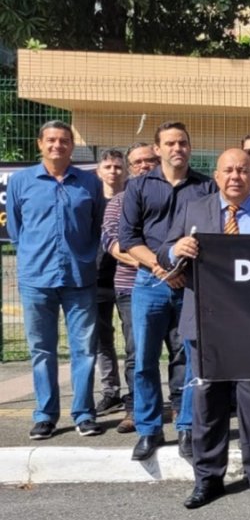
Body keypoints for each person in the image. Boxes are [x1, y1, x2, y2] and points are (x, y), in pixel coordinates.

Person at [162, 149, 250, 509]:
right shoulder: (193, 210)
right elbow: (163, 251)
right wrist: (176, 249)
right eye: (229, 170)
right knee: (208, 403)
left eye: (243, 170)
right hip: (207, 325)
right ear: (217, 176)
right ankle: (208, 478)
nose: (236, 176)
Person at [120, 121, 215, 461]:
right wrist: (160, 267)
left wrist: (180, 271)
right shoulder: (138, 186)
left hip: (192, 284)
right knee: (144, 359)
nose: (178, 148)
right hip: (150, 282)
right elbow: (128, 238)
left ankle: (187, 426)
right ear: (157, 149)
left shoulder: (206, 186)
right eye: (170, 143)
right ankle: (149, 429)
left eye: (183, 143)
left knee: (191, 359)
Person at [7, 120, 104, 440]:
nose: (57, 145)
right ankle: (45, 415)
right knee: (42, 350)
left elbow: (97, 226)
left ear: (72, 145)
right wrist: (33, 255)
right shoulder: (21, 182)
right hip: (36, 278)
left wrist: (85, 257)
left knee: (84, 350)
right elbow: (16, 230)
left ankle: (84, 413)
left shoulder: (89, 183)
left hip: (80, 277)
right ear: (40, 144)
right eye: (50, 140)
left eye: (63, 140)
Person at [101, 143, 160, 435]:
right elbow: (113, 243)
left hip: (174, 283)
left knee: (180, 352)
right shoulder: (119, 201)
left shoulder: (170, 195)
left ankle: (178, 407)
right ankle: (136, 409)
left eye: (149, 160)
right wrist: (153, 263)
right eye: (137, 162)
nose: (144, 166)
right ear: (130, 167)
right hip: (131, 287)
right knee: (137, 353)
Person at [94, 149, 127, 416]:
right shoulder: (90, 201)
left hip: (128, 278)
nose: (113, 171)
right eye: (108, 167)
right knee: (101, 340)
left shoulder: (132, 200)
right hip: (97, 280)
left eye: (118, 167)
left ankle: (135, 394)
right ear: (99, 171)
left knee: (134, 341)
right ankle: (110, 392)